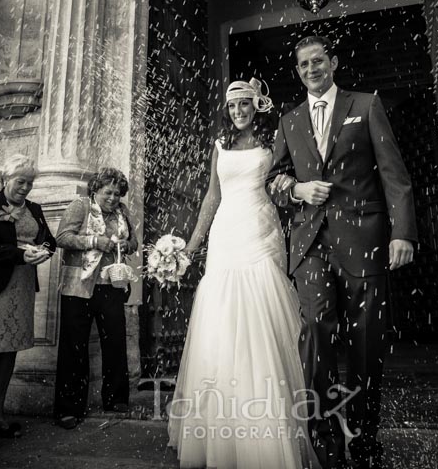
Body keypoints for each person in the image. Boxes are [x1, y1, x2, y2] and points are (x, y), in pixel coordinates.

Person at [267, 35, 417, 469]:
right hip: (311, 243)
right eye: (303, 65)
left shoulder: (365, 105)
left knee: (366, 343)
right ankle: (326, 440)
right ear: (297, 71)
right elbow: (273, 179)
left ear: (331, 63)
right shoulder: (289, 121)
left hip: (364, 241)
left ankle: (366, 437)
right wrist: (296, 188)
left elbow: (395, 174)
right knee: (315, 333)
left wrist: (401, 232)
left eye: (318, 61)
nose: (311, 69)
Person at [167, 78, 318, 469]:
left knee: (261, 307)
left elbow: (284, 184)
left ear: (256, 106)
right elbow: (211, 198)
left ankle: (269, 425)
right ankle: (223, 427)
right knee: (221, 314)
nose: (238, 112)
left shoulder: (274, 146)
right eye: (232, 107)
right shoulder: (220, 147)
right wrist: (192, 244)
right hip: (226, 232)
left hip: (259, 229)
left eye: (244, 106)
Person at [0, 154, 55, 447]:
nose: (26, 187)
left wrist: (43, 251)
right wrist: (20, 254)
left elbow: (49, 241)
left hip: (23, 284)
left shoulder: (35, 208)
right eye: (21, 181)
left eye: (30, 182)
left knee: (10, 349)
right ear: (6, 179)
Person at [54, 168, 137, 429]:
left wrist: (125, 245)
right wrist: (95, 241)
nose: (112, 197)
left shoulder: (122, 212)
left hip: (111, 285)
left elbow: (134, 242)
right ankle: (69, 407)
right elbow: (62, 238)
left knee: (114, 341)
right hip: (79, 287)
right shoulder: (81, 206)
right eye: (107, 192)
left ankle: (116, 398)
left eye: (116, 193)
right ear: (95, 190)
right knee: (73, 347)